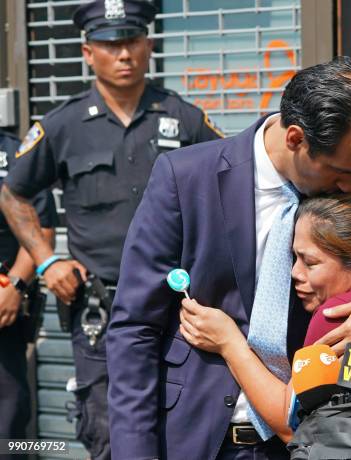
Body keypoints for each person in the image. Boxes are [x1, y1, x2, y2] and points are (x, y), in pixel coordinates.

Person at [107, 56, 351, 460]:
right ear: (296, 138)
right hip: (196, 437)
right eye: (342, 171)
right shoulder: (186, 177)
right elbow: (134, 328)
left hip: (313, 440)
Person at [0, 1, 222, 458]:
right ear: (87, 52)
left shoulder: (185, 119)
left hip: (177, 309)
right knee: (108, 432)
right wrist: (47, 260)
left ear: (148, 45)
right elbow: (13, 194)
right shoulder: (62, 125)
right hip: (101, 311)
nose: (124, 54)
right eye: (110, 44)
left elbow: (230, 182)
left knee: (183, 426)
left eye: (132, 41)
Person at [178, 188, 351, 446]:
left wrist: (229, 344)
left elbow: (293, 425)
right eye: (295, 258)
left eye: (310, 262)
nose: (295, 274)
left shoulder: (338, 315)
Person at [0, 129, 57, 460]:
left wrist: (15, 286)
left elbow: (41, 230)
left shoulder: (15, 153)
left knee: (8, 424)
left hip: (4, 310)